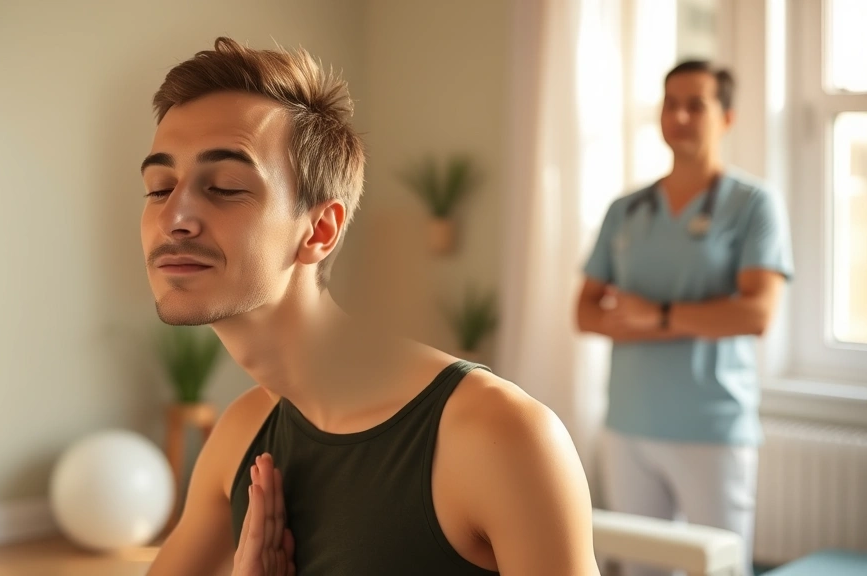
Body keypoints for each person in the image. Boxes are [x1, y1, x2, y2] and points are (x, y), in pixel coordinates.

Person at [141, 37, 599, 576]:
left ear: (321, 229)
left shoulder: (500, 437)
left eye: (224, 186)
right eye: (160, 187)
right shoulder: (243, 434)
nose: (176, 216)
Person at [576, 60, 794, 576]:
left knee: (719, 566)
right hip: (629, 423)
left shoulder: (754, 206)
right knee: (638, 567)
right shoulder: (626, 210)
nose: (679, 115)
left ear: (728, 117)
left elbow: (758, 313)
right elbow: (584, 312)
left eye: (695, 104)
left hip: (711, 425)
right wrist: (667, 322)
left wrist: (657, 316)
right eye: (670, 103)